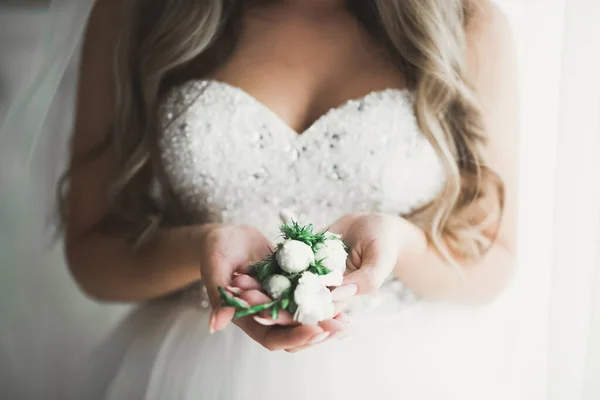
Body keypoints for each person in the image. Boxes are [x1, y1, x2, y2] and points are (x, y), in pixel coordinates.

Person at [63, 0, 519, 398]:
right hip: (188, 369)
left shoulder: (467, 23)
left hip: (407, 373)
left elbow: (492, 262)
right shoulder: (134, 12)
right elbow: (92, 256)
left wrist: (398, 243)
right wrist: (204, 247)